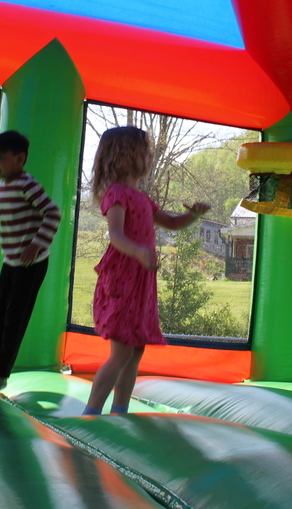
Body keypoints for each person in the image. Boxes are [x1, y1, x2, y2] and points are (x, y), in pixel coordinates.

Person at [82, 126, 209, 415]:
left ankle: (120, 410)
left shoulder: (142, 198)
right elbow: (115, 234)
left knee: (135, 350)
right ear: (125, 156)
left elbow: (173, 223)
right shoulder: (116, 194)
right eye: (145, 151)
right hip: (122, 277)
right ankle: (90, 413)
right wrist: (138, 250)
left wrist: (193, 215)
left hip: (140, 280)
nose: (151, 156)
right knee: (122, 351)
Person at [0, 130, 62, 392]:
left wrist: (36, 245)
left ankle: (1, 375)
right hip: (11, 262)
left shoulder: (26, 183)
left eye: (0, 158)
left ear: (20, 159)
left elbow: (53, 213)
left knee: (14, 319)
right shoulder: (6, 185)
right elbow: (15, 216)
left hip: (30, 265)